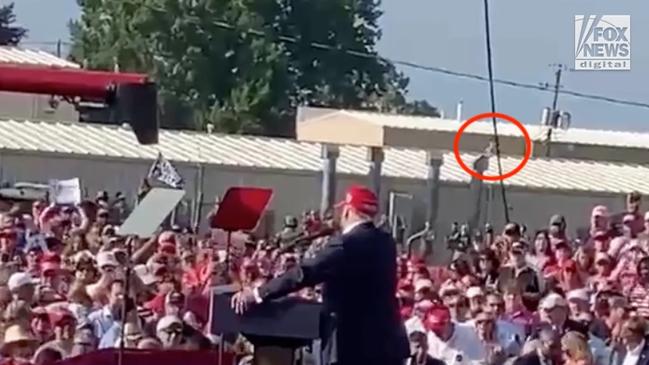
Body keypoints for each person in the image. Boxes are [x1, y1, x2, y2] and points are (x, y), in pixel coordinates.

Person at [231, 185, 409, 365]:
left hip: (352, 345)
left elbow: (305, 273)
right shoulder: (386, 242)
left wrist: (258, 293)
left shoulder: (347, 244)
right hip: (388, 342)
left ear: (348, 211)